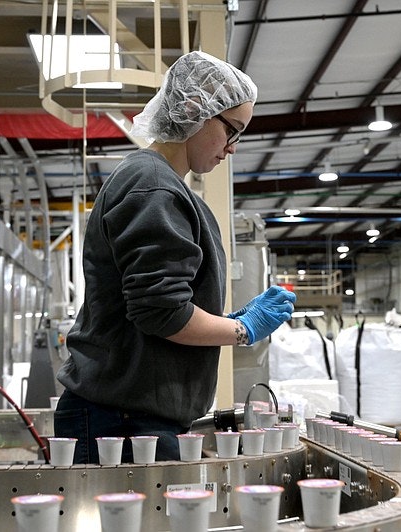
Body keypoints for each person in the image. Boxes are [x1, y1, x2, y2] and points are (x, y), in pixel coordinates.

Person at [53, 51, 296, 464]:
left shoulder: (162, 186)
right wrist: (243, 330)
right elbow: (162, 313)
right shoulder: (154, 186)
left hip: (133, 416)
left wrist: (229, 320)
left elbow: (165, 302)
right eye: (232, 131)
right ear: (192, 110)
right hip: (123, 423)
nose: (232, 149)